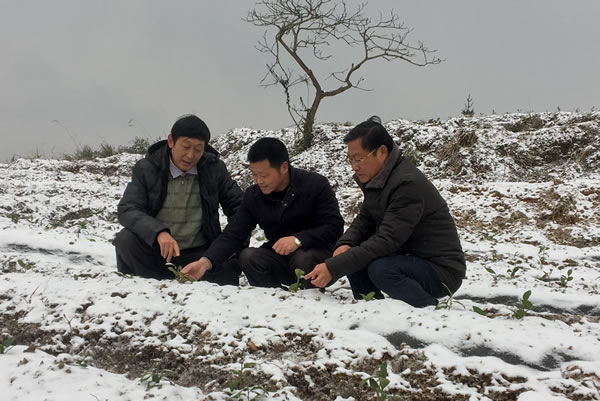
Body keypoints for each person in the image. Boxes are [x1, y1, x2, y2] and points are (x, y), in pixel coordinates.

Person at [305, 116, 466, 307]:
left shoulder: (407, 184)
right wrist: (345, 244)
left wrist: (334, 267)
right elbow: (365, 219)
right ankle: (372, 309)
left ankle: (429, 311)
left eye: (359, 159)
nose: (354, 166)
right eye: (350, 160)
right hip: (408, 257)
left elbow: (387, 240)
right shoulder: (379, 179)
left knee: (380, 269)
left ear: (382, 152)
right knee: (351, 259)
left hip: (441, 270)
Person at [181, 137, 344, 288]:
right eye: (254, 175)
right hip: (279, 256)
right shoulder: (254, 195)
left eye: (264, 175)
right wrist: (205, 262)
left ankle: (310, 298)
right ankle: (273, 299)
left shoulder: (315, 185)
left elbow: (334, 226)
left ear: (283, 167)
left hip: (316, 255)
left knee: (303, 258)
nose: (259, 181)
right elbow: (234, 233)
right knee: (248, 257)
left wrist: (298, 240)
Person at [114, 114, 244, 284]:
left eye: (198, 149)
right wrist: (158, 232)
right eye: (185, 146)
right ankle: (152, 284)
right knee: (126, 240)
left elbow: (240, 209)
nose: (190, 155)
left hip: (200, 254)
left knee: (230, 263)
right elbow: (128, 208)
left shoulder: (214, 169)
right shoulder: (147, 168)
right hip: (158, 251)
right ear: (171, 141)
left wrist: (232, 247)